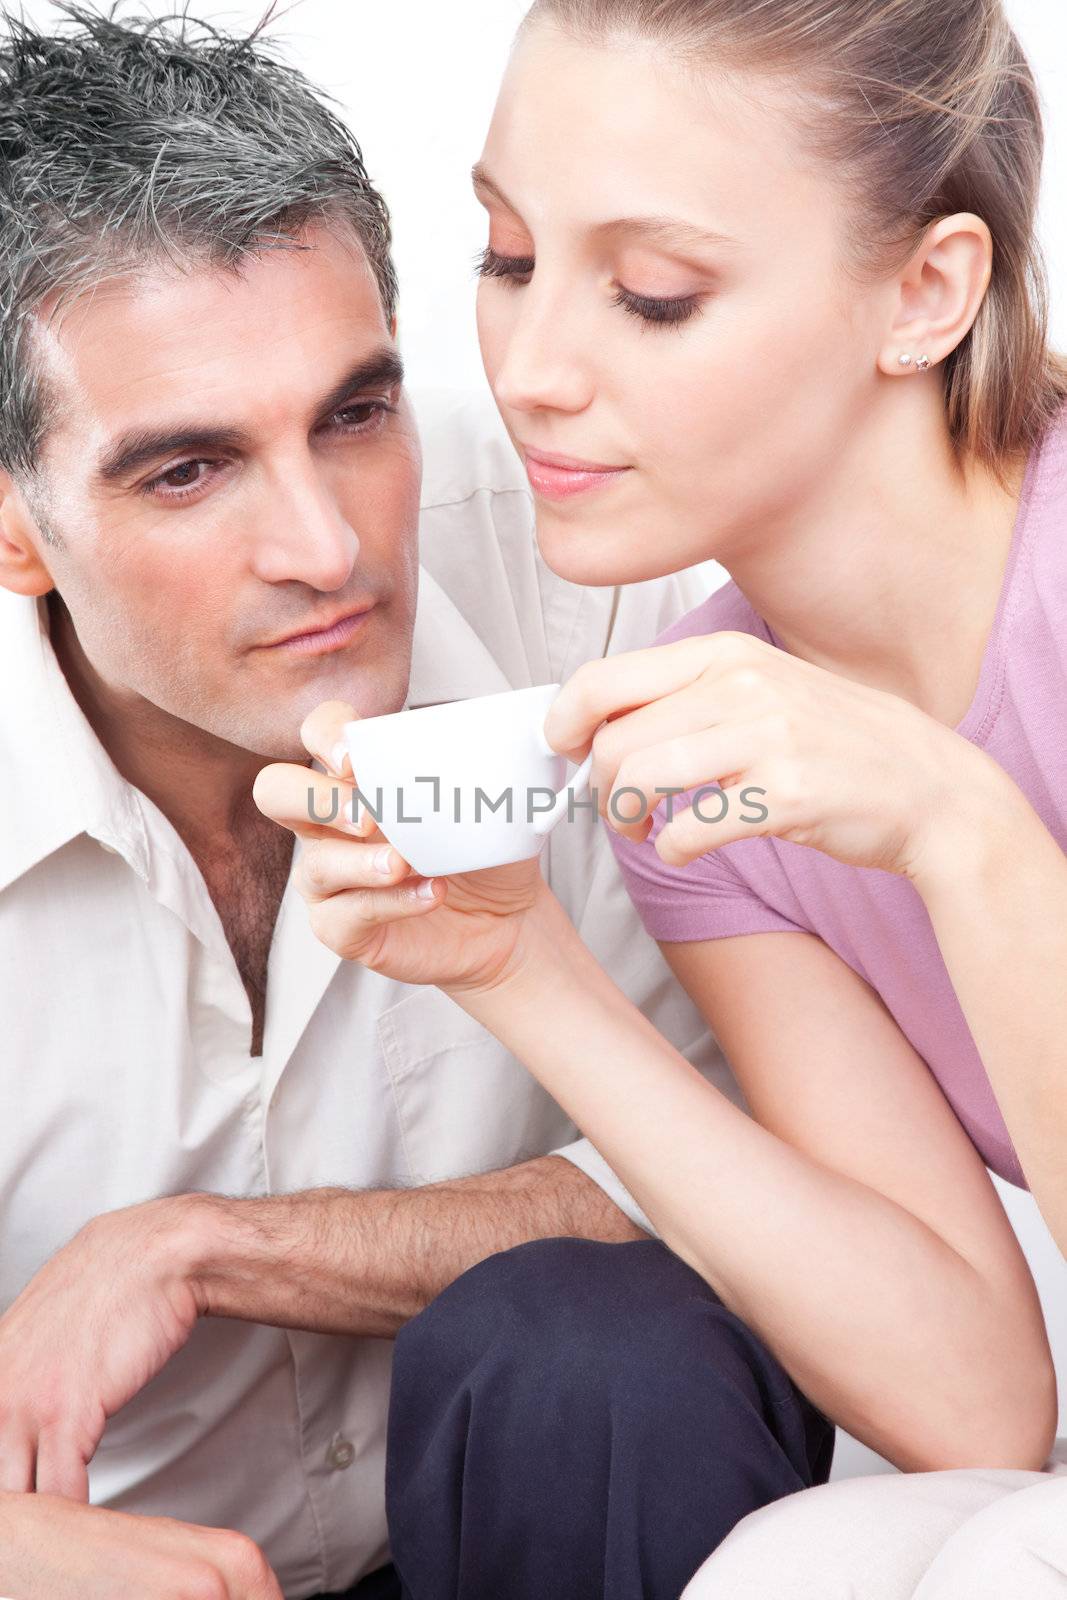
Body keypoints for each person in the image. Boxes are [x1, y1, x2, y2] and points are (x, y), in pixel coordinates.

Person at [0, 7, 834, 1600]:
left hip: (526, 1521)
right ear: (16, 528)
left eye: (354, 414)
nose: (327, 549)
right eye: (187, 471)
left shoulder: (594, 566)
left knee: (596, 1351)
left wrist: (202, 1245)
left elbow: (789, 1161)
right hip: (106, 1563)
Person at [256, 0, 1067, 1594]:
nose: (533, 370)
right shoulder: (710, 738)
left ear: (926, 292)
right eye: (504, 257)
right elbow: (973, 1399)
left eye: (654, 294)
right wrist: (516, 967)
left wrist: (967, 839)